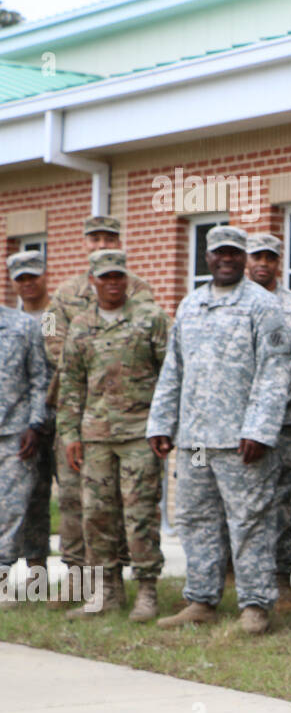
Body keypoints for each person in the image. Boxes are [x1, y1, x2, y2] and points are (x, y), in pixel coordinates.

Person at [146, 226, 291, 634]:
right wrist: (161, 422)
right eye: (218, 253)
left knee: (250, 521)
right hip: (194, 440)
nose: (226, 259)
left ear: (244, 258)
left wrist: (260, 429)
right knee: (195, 519)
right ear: (206, 258)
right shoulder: (191, 306)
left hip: (241, 441)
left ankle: (256, 605)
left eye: (233, 253)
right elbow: (173, 370)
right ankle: (201, 600)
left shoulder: (263, 306)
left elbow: (275, 372)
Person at [57, 250, 170, 621]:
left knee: (139, 515)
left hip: (140, 434)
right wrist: (70, 434)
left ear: (127, 278)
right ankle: (106, 592)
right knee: (98, 516)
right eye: (105, 277)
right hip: (96, 436)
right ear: (93, 281)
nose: (113, 282)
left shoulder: (150, 318)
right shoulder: (81, 325)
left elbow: (169, 374)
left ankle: (147, 590)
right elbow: (71, 383)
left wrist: (164, 426)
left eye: (119, 276)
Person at [46, 216, 154, 590]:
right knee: (77, 500)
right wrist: (94, 356)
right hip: (81, 410)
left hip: (130, 414)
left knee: (131, 503)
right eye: (95, 238)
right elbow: (51, 340)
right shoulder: (61, 295)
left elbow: (144, 341)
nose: (102, 243)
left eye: (110, 237)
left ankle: (123, 577)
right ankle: (78, 577)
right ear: (84, 244)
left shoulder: (140, 290)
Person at [247, 233, 291, 614]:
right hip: (233, 428)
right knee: (235, 506)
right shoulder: (233, 304)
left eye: (270, 257)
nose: (263, 263)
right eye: (257, 256)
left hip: (284, 426)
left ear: (279, 262)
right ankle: (230, 576)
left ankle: (281, 581)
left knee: (282, 504)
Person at [0, 292, 49, 600]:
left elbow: (39, 379)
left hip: (15, 434)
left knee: (11, 508)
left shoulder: (21, 326)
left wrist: (35, 424)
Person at [8, 252, 53, 582]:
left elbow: (50, 366)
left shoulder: (53, 317)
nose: (28, 284)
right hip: (26, 422)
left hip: (56, 418)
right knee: (30, 498)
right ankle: (35, 572)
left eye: (32, 277)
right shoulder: (15, 320)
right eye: (21, 279)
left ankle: (83, 577)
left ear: (44, 276)